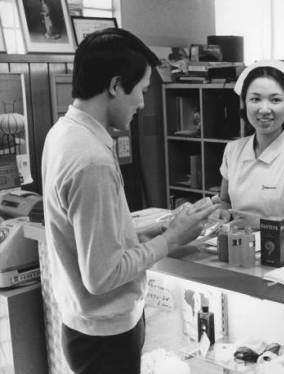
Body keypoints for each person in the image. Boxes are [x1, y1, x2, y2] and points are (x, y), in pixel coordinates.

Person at [41, 28, 217, 374]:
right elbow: (103, 276)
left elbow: (94, 240)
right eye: (141, 91)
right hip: (105, 338)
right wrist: (172, 239)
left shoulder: (63, 133)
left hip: (86, 328)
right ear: (115, 85)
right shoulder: (91, 159)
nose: (142, 103)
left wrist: (158, 227)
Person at [214, 59, 284, 241]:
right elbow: (225, 201)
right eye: (255, 99)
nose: (264, 109)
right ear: (245, 103)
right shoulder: (232, 150)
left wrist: (260, 225)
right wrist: (222, 213)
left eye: (275, 100)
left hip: (283, 253)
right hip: (237, 247)